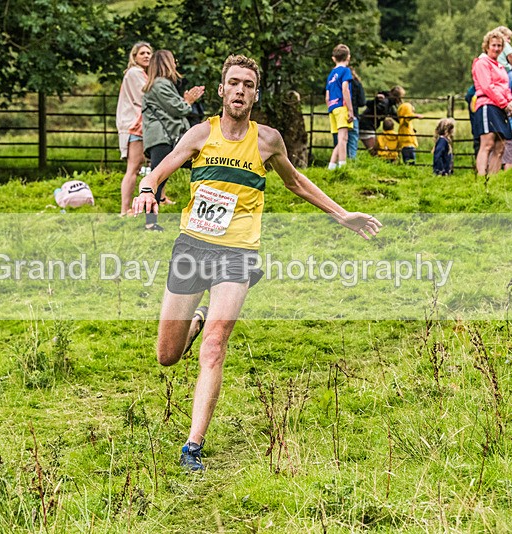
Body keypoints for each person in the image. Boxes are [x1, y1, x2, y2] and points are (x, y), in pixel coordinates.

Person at [132, 54, 382, 472]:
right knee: (167, 355)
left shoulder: (267, 140)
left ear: (255, 93)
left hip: (238, 253)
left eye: (248, 84)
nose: (240, 91)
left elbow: (296, 182)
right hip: (193, 248)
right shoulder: (199, 134)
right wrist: (146, 187)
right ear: (221, 90)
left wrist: (343, 215)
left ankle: (192, 445)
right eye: (233, 83)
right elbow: (160, 170)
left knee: (213, 347)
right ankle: (196, 320)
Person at [141, 50, 205, 231]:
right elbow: (179, 109)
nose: (176, 64)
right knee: (157, 179)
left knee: (159, 178)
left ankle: (151, 222)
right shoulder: (160, 84)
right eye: (173, 61)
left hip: (163, 137)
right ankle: (150, 223)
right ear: (167, 63)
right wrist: (189, 101)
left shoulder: (160, 84)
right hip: (163, 138)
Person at [471, 28, 512, 177]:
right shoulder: (482, 63)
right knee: (487, 143)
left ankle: (493, 178)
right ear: (487, 46)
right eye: (493, 45)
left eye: (499, 46)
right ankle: (482, 178)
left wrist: (511, 102)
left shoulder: (501, 67)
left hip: (500, 106)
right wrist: (504, 103)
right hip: (487, 105)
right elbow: (487, 86)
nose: (496, 48)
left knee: (500, 145)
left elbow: (506, 87)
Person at [116, 42, 152, 216]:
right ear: (134, 56)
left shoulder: (142, 74)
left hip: (140, 124)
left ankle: (159, 198)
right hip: (135, 125)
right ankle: (125, 209)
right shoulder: (135, 73)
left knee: (151, 164)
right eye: (142, 53)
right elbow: (146, 97)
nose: (146, 56)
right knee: (133, 167)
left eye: (149, 53)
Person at [325, 44, 354, 170]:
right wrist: (350, 110)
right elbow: (345, 90)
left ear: (333, 58)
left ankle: (331, 166)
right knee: (343, 138)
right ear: (348, 57)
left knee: (341, 138)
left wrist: (330, 108)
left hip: (332, 107)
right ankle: (343, 166)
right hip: (342, 106)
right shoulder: (345, 71)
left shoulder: (331, 75)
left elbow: (327, 96)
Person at [359, 86, 403, 154]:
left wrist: (405, 123)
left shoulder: (388, 104)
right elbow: (377, 108)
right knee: (374, 151)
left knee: (376, 149)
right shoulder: (385, 102)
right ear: (397, 97)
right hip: (367, 126)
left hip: (368, 125)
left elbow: (396, 117)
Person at [396, 98, 422, 164]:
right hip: (407, 146)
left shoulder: (406, 123)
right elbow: (407, 116)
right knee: (409, 162)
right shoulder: (404, 121)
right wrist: (416, 115)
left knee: (411, 162)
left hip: (409, 145)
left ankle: (410, 170)